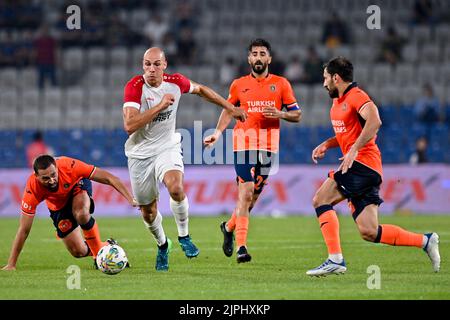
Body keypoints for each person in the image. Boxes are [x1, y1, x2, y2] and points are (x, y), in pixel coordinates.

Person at [306, 57, 440, 276]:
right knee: (369, 231)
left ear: (336, 77)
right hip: (367, 168)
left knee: (320, 200)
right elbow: (347, 135)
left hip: (362, 164)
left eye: (325, 78)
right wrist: (328, 144)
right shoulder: (337, 102)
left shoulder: (356, 96)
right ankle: (425, 241)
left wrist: (353, 150)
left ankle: (335, 259)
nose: (324, 83)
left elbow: (375, 121)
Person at [122, 47, 246, 271]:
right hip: (139, 154)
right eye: (147, 64)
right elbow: (129, 126)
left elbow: (202, 90)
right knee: (148, 212)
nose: (151, 69)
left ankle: (184, 236)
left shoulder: (176, 82)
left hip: (166, 146)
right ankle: (163, 245)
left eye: (156, 64)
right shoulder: (134, 87)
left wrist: (230, 107)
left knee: (176, 187)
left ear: (165, 65)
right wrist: (160, 106)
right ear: (142, 65)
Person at [204, 39, 301, 263]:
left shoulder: (282, 84)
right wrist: (218, 133)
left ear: (269, 58)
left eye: (262, 53)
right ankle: (242, 248)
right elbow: (229, 110)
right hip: (243, 143)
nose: (258, 57)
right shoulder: (238, 84)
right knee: (245, 193)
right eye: (254, 54)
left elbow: (297, 114)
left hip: (268, 146)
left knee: (252, 200)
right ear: (249, 59)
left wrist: (281, 114)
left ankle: (228, 227)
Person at [2, 155, 137, 271]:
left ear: (57, 168)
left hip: (77, 187)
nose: (52, 180)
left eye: (53, 175)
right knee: (78, 251)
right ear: (36, 176)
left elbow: (109, 178)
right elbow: (24, 230)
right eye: (45, 178)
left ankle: (98, 257)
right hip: (58, 206)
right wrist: (11, 264)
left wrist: (130, 198)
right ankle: (107, 246)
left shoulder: (70, 166)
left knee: (81, 214)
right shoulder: (32, 189)